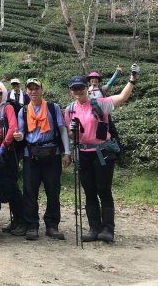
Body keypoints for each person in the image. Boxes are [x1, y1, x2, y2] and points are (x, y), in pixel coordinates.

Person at [64, 64, 139, 243]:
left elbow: (121, 97)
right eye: (75, 88)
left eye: (81, 87)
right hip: (82, 154)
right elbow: (70, 134)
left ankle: (107, 229)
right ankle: (94, 229)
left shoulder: (99, 104)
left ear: (87, 89)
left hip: (102, 152)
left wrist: (132, 80)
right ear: (71, 91)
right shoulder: (69, 110)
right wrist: (72, 130)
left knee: (103, 190)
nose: (78, 91)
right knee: (89, 192)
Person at [13, 78, 71, 241]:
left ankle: (52, 225)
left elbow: (62, 130)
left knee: (53, 190)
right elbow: (22, 133)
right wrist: (18, 137)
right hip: (30, 154)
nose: (33, 91)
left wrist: (67, 152)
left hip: (52, 153)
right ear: (26, 91)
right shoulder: (23, 111)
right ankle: (32, 226)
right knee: (29, 191)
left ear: (42, 90)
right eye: (30, 89)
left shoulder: (53, 108)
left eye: (36, 88)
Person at [0, 81, 25, 236]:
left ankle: (21, 221)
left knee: (12, 187)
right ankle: (15, 221)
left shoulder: (7, 107)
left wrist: (4, 146)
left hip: (8, 153)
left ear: (3, 93)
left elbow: (13, 127)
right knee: (5, 186)